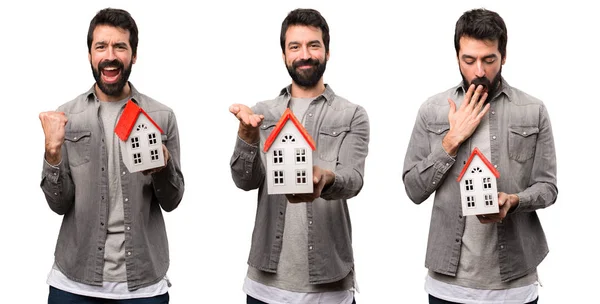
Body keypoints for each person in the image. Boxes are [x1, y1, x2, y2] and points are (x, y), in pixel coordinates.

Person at [402, 8, 557, 304]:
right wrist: (452, 139)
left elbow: (548, 188)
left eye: (489, 59)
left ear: (504, 56)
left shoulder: (533, 110)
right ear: (457, 56)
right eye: (469, 60)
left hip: (515, 285)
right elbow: (413, 189)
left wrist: (514, 201)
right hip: (448, 286)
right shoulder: (432, 110)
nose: (479, 72)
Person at [39, 8, 184, 303]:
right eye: (101, 46)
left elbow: (172, 201)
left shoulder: (161, 116)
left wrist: (163, 166)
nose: (110, 55)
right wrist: (52, 153)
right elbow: (59, 204)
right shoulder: (66, 116)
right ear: (90, 54)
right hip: (73, 283)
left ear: (133, 55)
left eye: (120, 46)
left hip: (143, 286)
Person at [229, 8, 369, 304]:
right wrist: (247, 136)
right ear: (284, 54)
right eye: (295, 47)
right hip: (265, 286)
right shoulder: (262, 113)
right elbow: (244, 181)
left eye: (313, 45)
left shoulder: (352, 114)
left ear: (327, 52)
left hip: (330, 286)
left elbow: (354, 180)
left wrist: (327, 178)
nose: (304, 54)